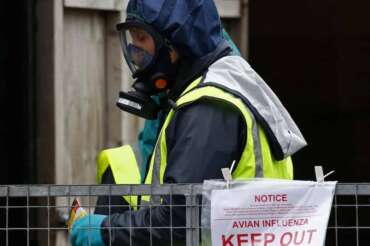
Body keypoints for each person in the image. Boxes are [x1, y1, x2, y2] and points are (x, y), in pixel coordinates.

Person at [70, 0, 307, 246]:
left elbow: (179, 219)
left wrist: (106, 231)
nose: (134, 50)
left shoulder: (209, 108)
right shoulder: (207, 89)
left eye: (142, 38)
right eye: (132, 38)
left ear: (176, 44)